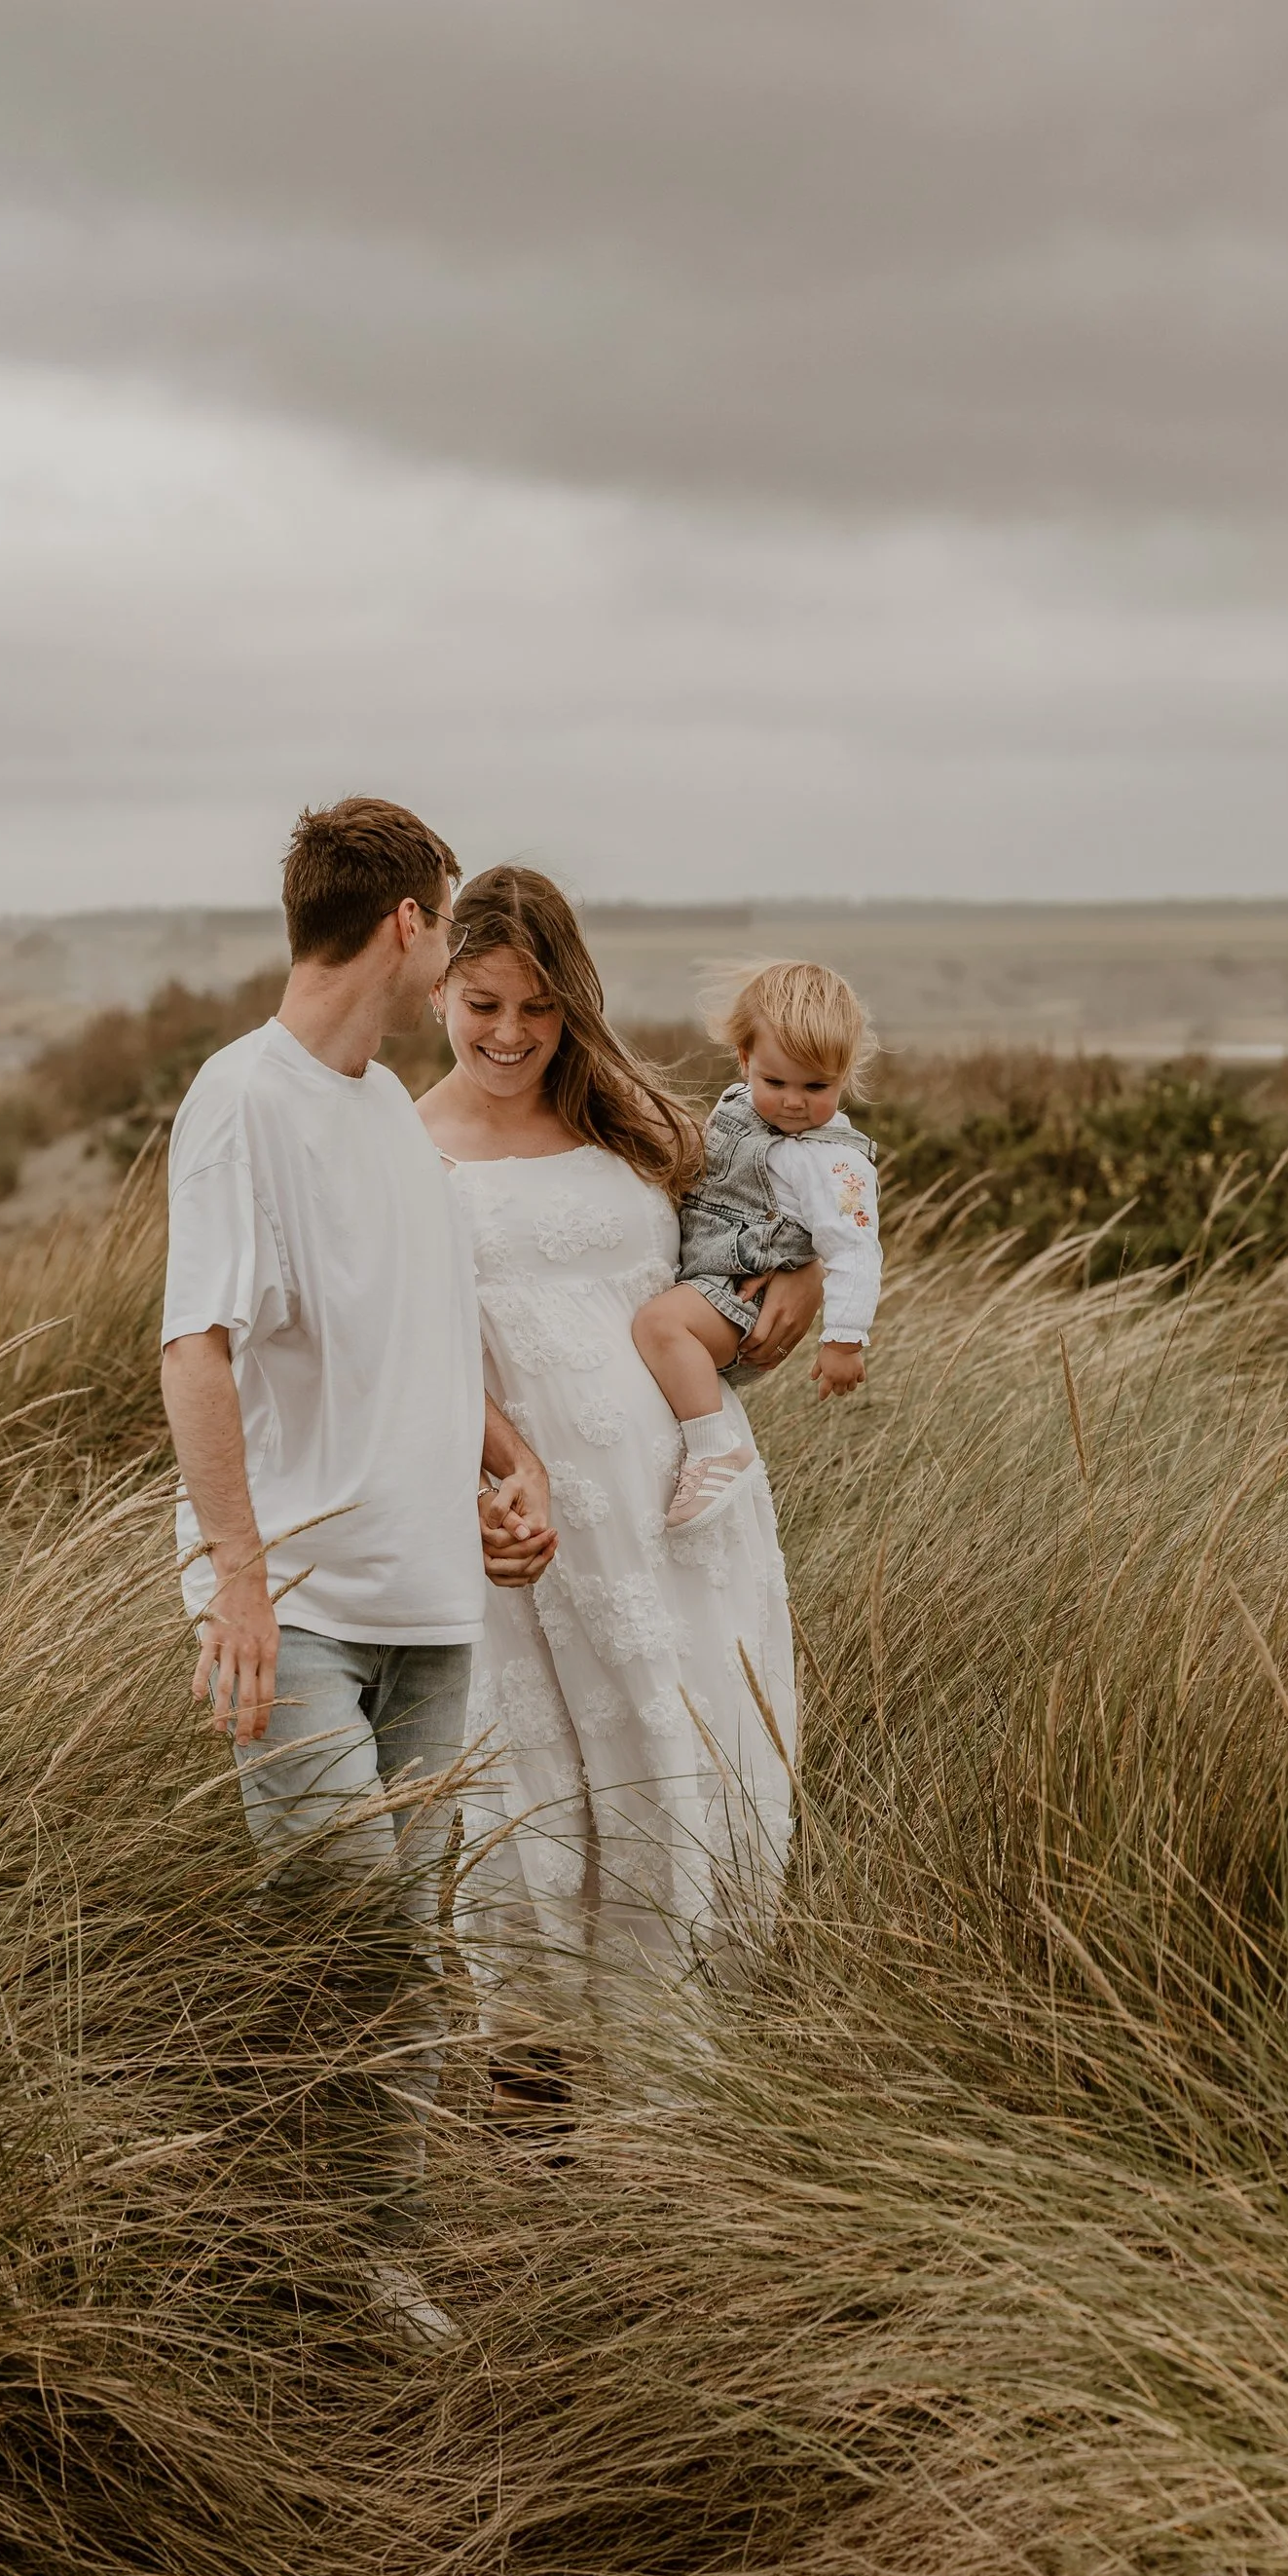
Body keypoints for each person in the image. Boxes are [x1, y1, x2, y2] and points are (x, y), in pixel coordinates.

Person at [158, 796, 554, 2291]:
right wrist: (243, 1584)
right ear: (407, 926)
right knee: (351, 1939)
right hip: (302, 1614)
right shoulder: (240, 1099)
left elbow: (429, 1343)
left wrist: (512, 1474)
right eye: (444, 924)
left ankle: (368, 2265)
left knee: (404, 1949)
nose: (446, 948)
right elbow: (193, 1350)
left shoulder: (388, 1107)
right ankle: (267, 2238)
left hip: (435, 1609)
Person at [414, 867, 816, 2086]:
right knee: (532, 1798)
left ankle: (676, 2102)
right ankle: (533, 2105)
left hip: (676, 1512)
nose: (508, 1034)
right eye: (481, 1002)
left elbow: (773, 1205)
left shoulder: (632, 1118)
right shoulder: (397, 1147)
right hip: (518, 1526)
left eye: (537, 1007)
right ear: (438, 983)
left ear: (571, 1002)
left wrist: (798, 1279)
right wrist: (502, 1465)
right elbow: (402, 1346)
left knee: (684, 1764)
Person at [632, 960, 882, 1531]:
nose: (794, 1102)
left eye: (816, 1087)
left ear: (843, 1075)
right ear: (744, 1061)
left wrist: (843, 1340)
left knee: (659, 1327)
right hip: (706, 1271)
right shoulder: (736, 1106)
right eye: (775, 1083)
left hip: (742, 1296)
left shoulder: (834, 1161)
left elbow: (855, 1248)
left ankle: (713, 1450)